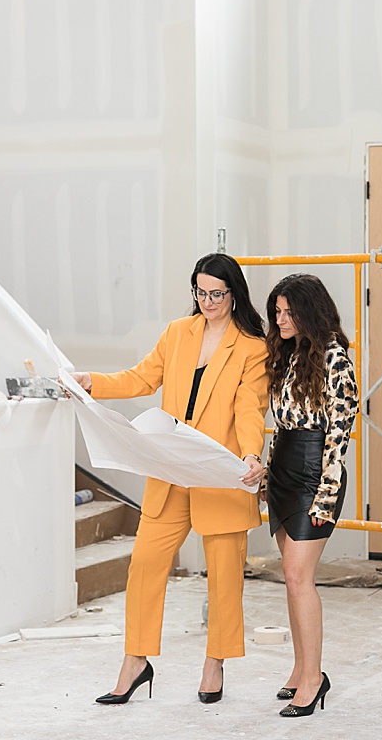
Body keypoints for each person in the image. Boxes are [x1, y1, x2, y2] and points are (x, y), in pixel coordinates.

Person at [70, 253, 269, 706]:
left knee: (223, 577)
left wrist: (253, 453)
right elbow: (141, 378)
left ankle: (215, 662)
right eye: (199, 292)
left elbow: (249, 407)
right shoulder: (179, 334)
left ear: (233, 294)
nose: (206, 301)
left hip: (219, 473)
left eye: (216, 294)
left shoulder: (253, 347)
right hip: (170, 469)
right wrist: (91, 383)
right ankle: (135, 661)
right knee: (145, 566)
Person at [262, 273, 359, 718]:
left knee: (300, 575)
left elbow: (339, 435)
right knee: (291, 575)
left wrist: (326, 495)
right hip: (282, 471)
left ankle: (315, 678)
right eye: (277, 312)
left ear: (308, 312)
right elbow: (278, 425)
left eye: (287, 312)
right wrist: (266, 475)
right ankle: (301, 668)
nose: (280, 320)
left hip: (315, 474)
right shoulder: (285, 356)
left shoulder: (337, 359)